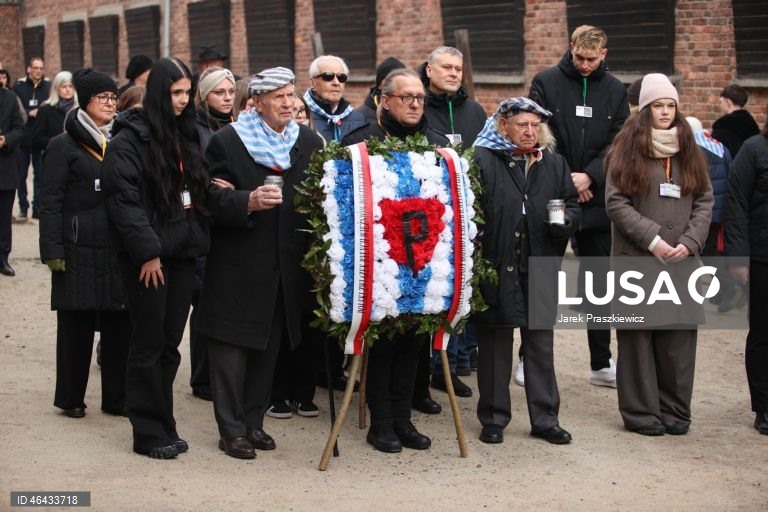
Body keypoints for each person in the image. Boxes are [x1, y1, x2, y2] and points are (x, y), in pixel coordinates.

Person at [197, 67, 323, 459]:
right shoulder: (227, 141)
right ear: (256, 102)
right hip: (238, 261)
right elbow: (208, 200)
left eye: (291, 95)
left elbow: (320, 195)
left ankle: (253, 422)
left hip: (285, 264)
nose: (289, 103)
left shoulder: (307, 140)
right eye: (279, 96)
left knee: (269, 348)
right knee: (232, 348)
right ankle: (230, 428)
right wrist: (245, 201)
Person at [102, 57, 211, 459]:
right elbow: (123, 200)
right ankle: (147, 431)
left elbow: (197, 194)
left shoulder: (188, 135)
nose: (182, 100)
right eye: (175, 92)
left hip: (182, 253)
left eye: (186, 92)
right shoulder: (130, 139)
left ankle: (164, 422)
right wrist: (147, 252)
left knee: (169, 344)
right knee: (147, 343)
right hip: (148, 259)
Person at [344, 68, 448, 453]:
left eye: (420, 98)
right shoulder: (361, 144)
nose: (416, 104)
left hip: (424, 262)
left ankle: (404, 419)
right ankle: (381, 423)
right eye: (407, 97)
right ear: (384, 101)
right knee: (385, 343)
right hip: (380, 262)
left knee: (413, 345)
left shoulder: (435, 145)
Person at [605, 73, 713, 436]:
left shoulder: (690, 149)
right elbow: (616, 203)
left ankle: (675, 413)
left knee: (678, 343)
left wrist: (692, 240)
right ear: (645, 109)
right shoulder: (626, 149)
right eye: (658, 106)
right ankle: (641, 414)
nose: (665, 112)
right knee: (637, 340)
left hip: (683, 260)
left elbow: (705, 200)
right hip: (637, 260)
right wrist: (653, 239)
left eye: (670, 106)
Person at [472, 97, 579, 445]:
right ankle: (493, 417)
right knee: (495, 343)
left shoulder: (555, 163)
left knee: (540, 344)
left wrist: (565, 224)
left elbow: (572, 203)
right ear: (504, 125)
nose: (530, 132)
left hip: (541, 262)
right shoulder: (483, 159)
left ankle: (545, 418)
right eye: (522, 124)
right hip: (497, 263)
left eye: (536, 125)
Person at [529, 25, 630, 388]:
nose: (585, 65)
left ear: (605, 54)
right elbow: (539, 133)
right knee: (544, 274)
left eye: (592, 59)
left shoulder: (617, 90)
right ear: (570, 48)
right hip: (557, 195)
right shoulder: (545, 81)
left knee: (598, 281)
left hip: (598, 197)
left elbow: (621, 141)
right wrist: (568, 179)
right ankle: (531, 358)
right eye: (579, 57)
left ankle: (601, 363)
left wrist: (589, 176)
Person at [38, 68, 130, 419]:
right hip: (77, 248)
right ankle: (71, 397)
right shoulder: (63, 145)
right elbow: (50, 201)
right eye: (102, 98)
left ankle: (117, 397)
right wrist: (52, 249)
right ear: (85, 101)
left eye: (113, 98)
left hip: (116, 246)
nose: (110, 104)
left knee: (119, 324)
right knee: (75, 327)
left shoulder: (123, 140)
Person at [419, 45, 487, 402]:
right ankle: (432, 367)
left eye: (458, 68)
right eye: (446, 67)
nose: (453, 73)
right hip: (431, 216)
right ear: (429, 70)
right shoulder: (418, 107)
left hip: (469, 216)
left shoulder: (475, 112)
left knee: (463, 290)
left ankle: (457, 360)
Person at [188, 66, 236, 401]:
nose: (227, 98)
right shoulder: (194, 128)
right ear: (204, 95)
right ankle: (202, 377)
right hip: (202, 220)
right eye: (219, 93)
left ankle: (219, 376)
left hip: (227, 221)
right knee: (203, 301)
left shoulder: (234, 125)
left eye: (231, 92)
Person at [724, 120, 768, 436]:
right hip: (762, 256)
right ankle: (764, 406)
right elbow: (736, 204)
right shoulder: (753, 150)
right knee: (764, 332)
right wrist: (739, 258)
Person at [686, 116, 740, 312]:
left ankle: (729, 287)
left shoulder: (693, 148)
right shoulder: (718, 146)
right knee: (715, 250)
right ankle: (722, 293)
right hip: (721, 207)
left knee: (706, 252)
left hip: (705, 209)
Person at [13, 57, 50, 219]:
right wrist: (29, 112)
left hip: (39, 138)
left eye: (41, 68)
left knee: (40, 175)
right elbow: (15, 108)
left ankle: (37, 208)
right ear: (29, 69)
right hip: (23, 137)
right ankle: (23, 206)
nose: (38, 71)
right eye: (35, 68)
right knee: (21, 175)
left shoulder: (48, 87)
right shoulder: (19, 86)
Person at [304, 55, 365, 142]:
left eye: (341, 77)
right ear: (313, 83)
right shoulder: (299, 114)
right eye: (328, 76)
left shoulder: (357, 118)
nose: (336, 82)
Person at [0, 77, 25, 276]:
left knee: (4, 216)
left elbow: (20, 129)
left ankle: (2, 258)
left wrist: (6, 140)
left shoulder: (10, 98)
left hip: (5, 166)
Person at [32, 71, 78, 153]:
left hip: (77, 158)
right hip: (54, 157)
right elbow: (37, 138)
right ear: (56, 88)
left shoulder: (80, 109)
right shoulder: (45, 109)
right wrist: (58, 143)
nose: (68, 90)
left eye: (70, 86)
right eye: (64, 86)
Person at [712, 84, 760, 158]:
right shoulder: (752, 127)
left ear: (728, 102)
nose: (720, 106)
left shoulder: (722, 128)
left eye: (721, 102)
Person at [357, 57, 406, 122]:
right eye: (390, 80)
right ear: (379, 85)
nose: (395, 84)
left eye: (400, 80)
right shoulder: (361, 117)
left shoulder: (413, 110)